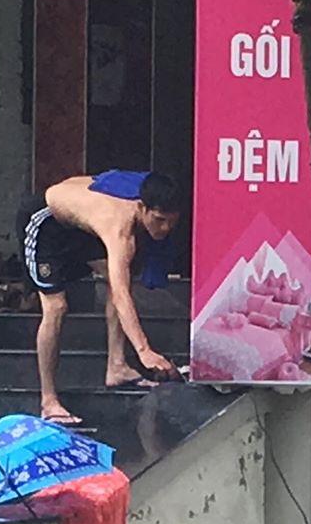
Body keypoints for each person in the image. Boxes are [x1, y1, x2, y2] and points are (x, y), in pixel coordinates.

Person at [16, 170, 185, 427]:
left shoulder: (143, 196)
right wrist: (144, 350)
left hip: (78, 225)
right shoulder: (118, 226)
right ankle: (48, 400)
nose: (164, 229)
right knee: (57, 307)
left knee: (117, 274)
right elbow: (120, 295)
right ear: (141, 207)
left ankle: (116, 367)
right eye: (159, 220)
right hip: (45, 221)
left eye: (171, 222)